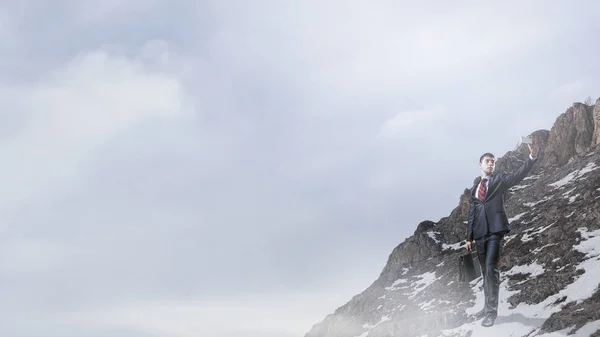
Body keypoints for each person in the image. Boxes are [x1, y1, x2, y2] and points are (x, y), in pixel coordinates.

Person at [465, 139, 539, 327]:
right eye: (488, 161)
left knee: (491, 269)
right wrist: (469, 237)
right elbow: (472, 213)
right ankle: (485, 307)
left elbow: (517, 176)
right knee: (484, 272)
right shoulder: (475, 189)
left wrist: (532, 157)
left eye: (493, 161)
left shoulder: (499, 180)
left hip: (495, 231)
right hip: (480, 234)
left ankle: (491, 312)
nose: (491, 163)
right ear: (480, 164)